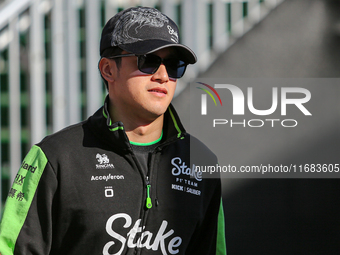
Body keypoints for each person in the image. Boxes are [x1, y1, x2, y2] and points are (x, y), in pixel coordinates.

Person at [0, 6, 226, 255]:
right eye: (148, 61)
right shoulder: (55, 157)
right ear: (108, 69)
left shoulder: (201, 163)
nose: (163, 75)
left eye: (174, 65)